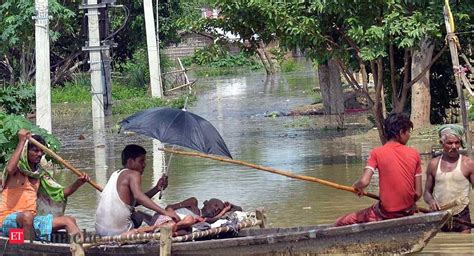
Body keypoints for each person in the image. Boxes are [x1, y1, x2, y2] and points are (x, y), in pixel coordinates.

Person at [0, 129, 90, 241]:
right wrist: (22, 141)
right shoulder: (17, 170)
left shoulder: (40, 174)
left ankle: (80, 250)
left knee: (69, 220)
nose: (40, 154)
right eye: (35, 150)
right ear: (26, 151)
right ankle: (29, 251)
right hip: (7, 223)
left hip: (32, 221)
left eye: (41, 151)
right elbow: (9, 168)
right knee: (26, 217)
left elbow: (60, 194)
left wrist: (78, 183)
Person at [335, 113, 422, 226]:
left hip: (386, 213)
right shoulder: (414, 154)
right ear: (401, 132)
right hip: (407, 211)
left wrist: (356, 186)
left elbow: (364, 182)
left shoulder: (377, 152)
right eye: (408, 132)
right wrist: (410, 204)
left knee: (340, 222)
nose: (409, 135)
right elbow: (418, 193)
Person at [95, 144, 181, 236]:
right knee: (142, 217)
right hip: (119, 233)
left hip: (100, 231)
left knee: (138, 215)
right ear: (130, 161)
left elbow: (134, 202)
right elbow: (139, 197)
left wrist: (156, 188)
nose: (144, 165)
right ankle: (141, 230)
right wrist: (165, 212)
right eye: (141, 161)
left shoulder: (115, 174)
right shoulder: (134, 174)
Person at [423, 124, 474, 233]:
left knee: (464, 249)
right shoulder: (433, 164)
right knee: (439, 247)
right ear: (442, 143)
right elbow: (427, 192)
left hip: (462, 216)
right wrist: (431, 201)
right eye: (450, 143)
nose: (454, 146)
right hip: (439, 215)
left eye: (457, 142)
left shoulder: (468, 164)